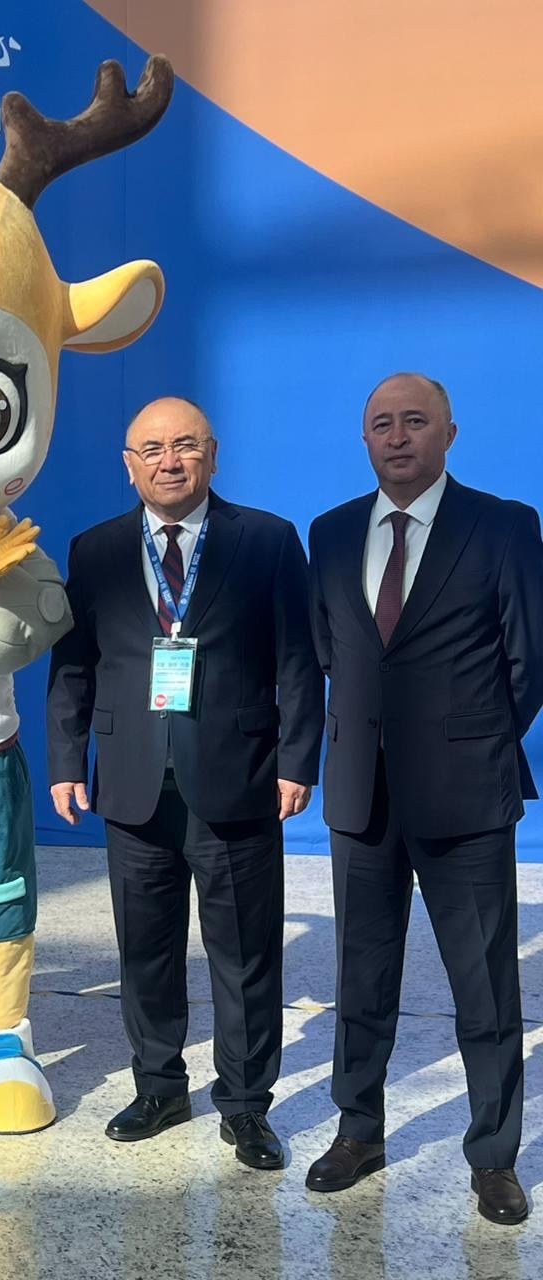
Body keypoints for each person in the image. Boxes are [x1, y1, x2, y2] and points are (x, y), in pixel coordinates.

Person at [46, 397, 323, 1169]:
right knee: (146, 951)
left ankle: (246, 1106)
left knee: (245, 955)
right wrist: (67, 761)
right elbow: (74, 664)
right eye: (153, 449)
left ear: (213, 455)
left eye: (186, 446)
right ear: (129, 465)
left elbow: (298, 658)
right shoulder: (96, 548)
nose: (170, 461)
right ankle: (160, 1087)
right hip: (131, 782)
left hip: (239, 777)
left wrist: (298, 760)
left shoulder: (266, 539)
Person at [305, 373, 543, 1225]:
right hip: (361, 795)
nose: (398, 436)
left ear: (449, 433)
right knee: (361, 979)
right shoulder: (331, 533)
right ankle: (358, 1131)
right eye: (382, 424)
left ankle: (493, 1157)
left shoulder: (503, 525)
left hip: (466, 797)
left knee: (485, 987)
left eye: (415, 421)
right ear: (365, 439)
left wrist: (468, 742)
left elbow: (528, 661)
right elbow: (330, 652)